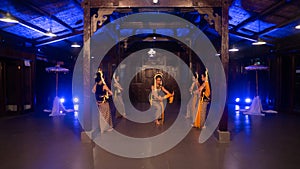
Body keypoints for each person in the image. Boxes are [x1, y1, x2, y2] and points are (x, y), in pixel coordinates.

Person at [92, 68, 113, 133]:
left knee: (101, 115)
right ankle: (105, 128)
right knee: (106, 115)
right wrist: (106, 95)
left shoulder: (96, 85)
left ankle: (102, 128)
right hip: (104, 102)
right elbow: (111, 93)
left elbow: (93, 91)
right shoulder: (104, 86)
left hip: (99, 102)